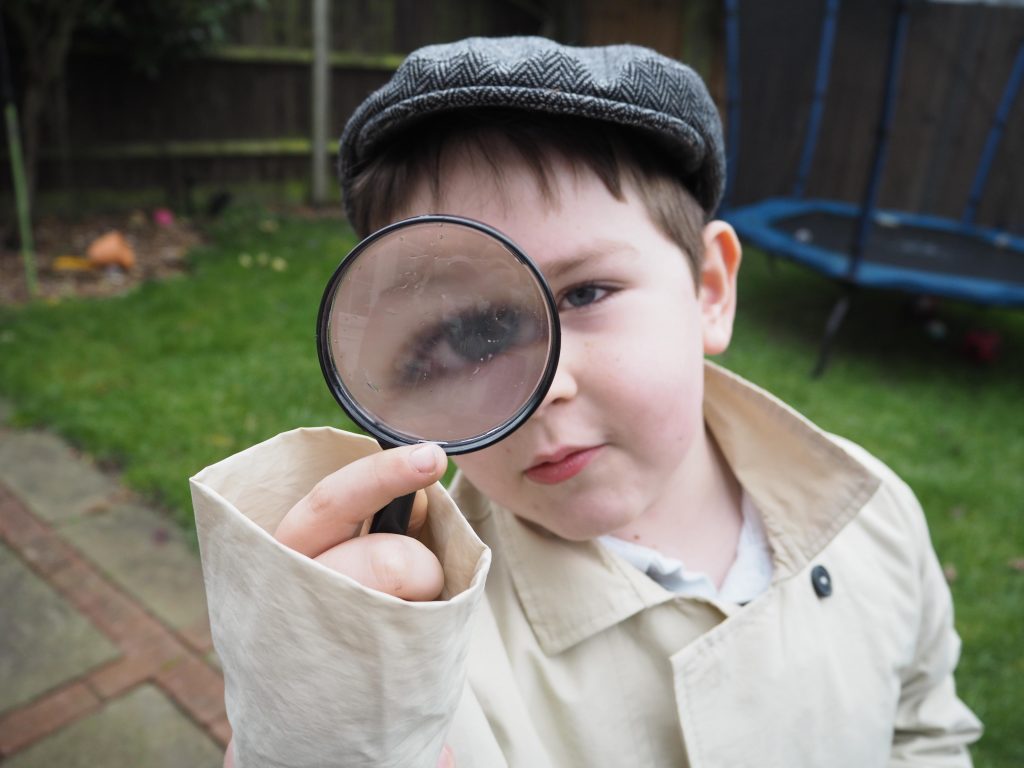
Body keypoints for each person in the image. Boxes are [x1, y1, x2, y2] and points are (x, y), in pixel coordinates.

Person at [191, 37, 982, 768]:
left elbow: (924, 732)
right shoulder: (419, 662)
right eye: (463, 338)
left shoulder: (870, 514)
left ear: (710, 291)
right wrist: (316, 731)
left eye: (585, 293)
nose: (544, 390)